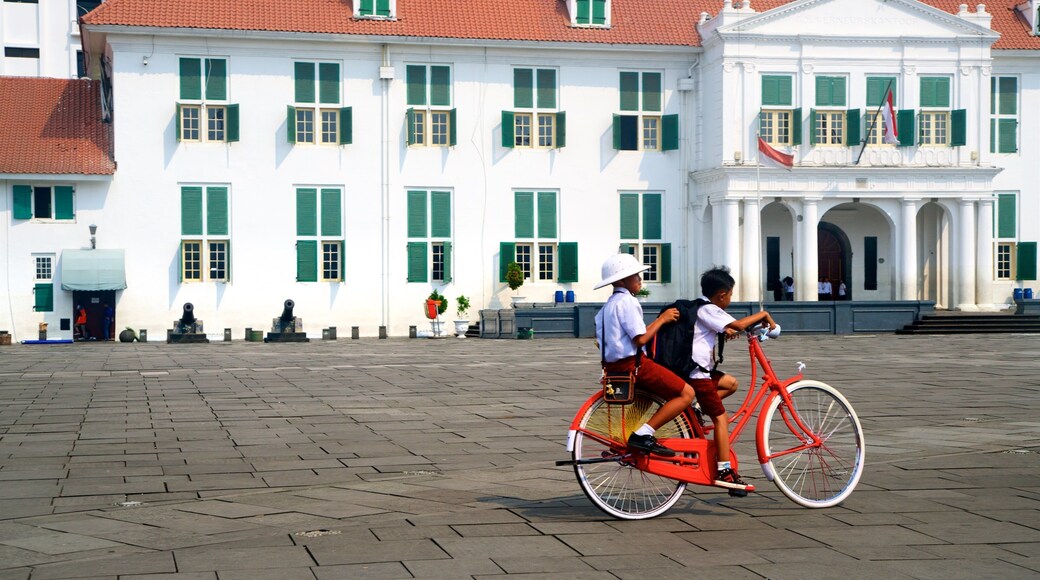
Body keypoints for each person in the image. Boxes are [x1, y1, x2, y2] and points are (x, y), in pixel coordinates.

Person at [593, 254, 695, 457]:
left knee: (650, 398)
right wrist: (663, 319)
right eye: (636, 276)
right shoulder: (628, 302)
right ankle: (643, 434)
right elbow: (640, 339)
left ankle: (626, 436)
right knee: (687, 394)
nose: (640, 279)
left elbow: (605, 341)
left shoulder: (605, 308)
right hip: (635, 365)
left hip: (613, 368)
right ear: (622, 280)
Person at [690, 266, 777, 497]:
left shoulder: (700, 306)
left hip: (701, 371)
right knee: (721, 418)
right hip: (697, 374)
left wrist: (726, 330)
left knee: (730, 384)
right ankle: (724, 471)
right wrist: (764, 315)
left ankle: (696, 406)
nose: (730, 299)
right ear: (721, 295)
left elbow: (724, 327)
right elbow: (738, 324)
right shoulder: (709, 308)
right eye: (730, 295)